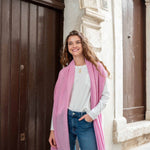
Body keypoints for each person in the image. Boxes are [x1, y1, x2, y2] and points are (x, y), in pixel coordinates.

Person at [48, 30, 110, 150]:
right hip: (65, 119)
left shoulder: (97, 68)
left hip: (85, 121)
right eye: (70, 43)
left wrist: (91, 115)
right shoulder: (64, 73)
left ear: (83, 45)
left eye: (77, 42)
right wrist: (53, 129)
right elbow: (57, 105)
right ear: (67, 48)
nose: (74, 46)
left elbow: (105, 96)